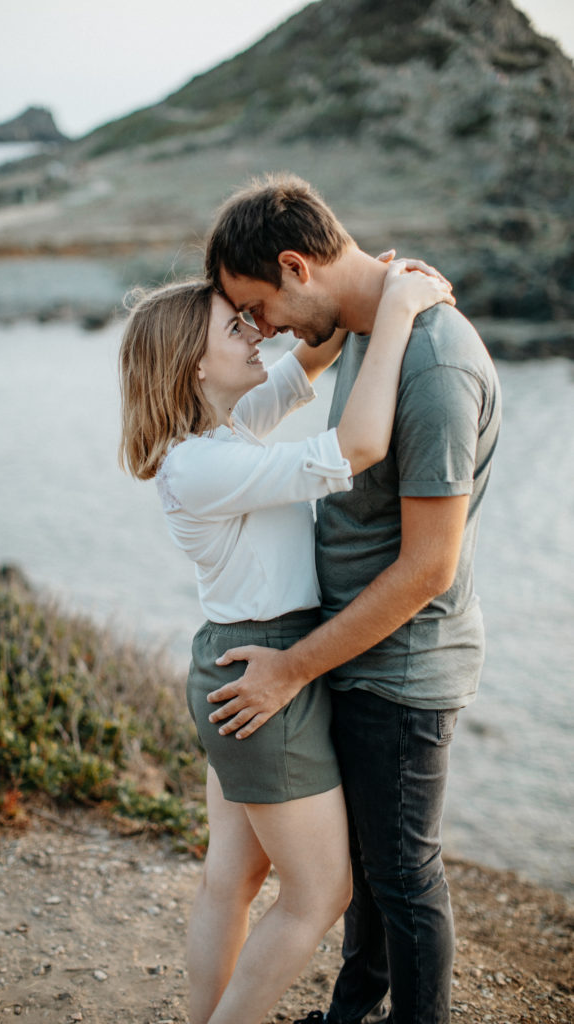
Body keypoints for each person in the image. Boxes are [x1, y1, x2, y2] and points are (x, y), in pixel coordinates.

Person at [118, 261, 454, 1024]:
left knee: (230, 878)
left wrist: (362, 281)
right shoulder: (208, 464)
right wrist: (399, 310)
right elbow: (359, 445)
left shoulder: (216, 434)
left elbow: (310, 354)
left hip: (237, 657)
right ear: (192, 363)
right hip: (263, 666)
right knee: (320, 892)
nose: (256, 330)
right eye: (236, 326)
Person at [204, 174, 501, 1024]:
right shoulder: (372, 324)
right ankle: (349, 1015)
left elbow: (426, 569)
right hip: (357, 654)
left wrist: (289, 671)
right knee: (373, 867)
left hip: (402, 667)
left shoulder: (434, 363)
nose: (261, 331)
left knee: (403, 876)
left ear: (296, 267)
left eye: (257, 307)